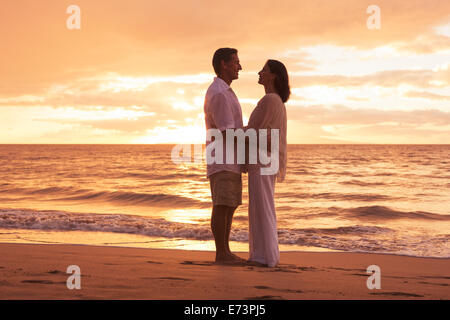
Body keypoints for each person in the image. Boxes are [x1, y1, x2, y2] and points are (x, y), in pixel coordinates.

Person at [245, 59, 289, 267]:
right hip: (263, 160)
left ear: (273, 76)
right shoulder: (274, 100)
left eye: (264, 70)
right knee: (261, 207)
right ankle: (262, 254)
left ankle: (265, 257)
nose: (260, 72)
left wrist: (230, 133)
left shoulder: (271, 100)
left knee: (262, 207)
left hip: (263, 161)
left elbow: (260, 133)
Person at [204, 48, 245, 264]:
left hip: (229, 158)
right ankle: (222, 254)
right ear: (224, 64)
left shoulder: (225, 91)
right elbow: (227, 131)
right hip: (223, 157)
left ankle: (225, 252)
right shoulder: (219, 93)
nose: (240, 66)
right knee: (222, 205)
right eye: (236, 62)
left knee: (229, 204)